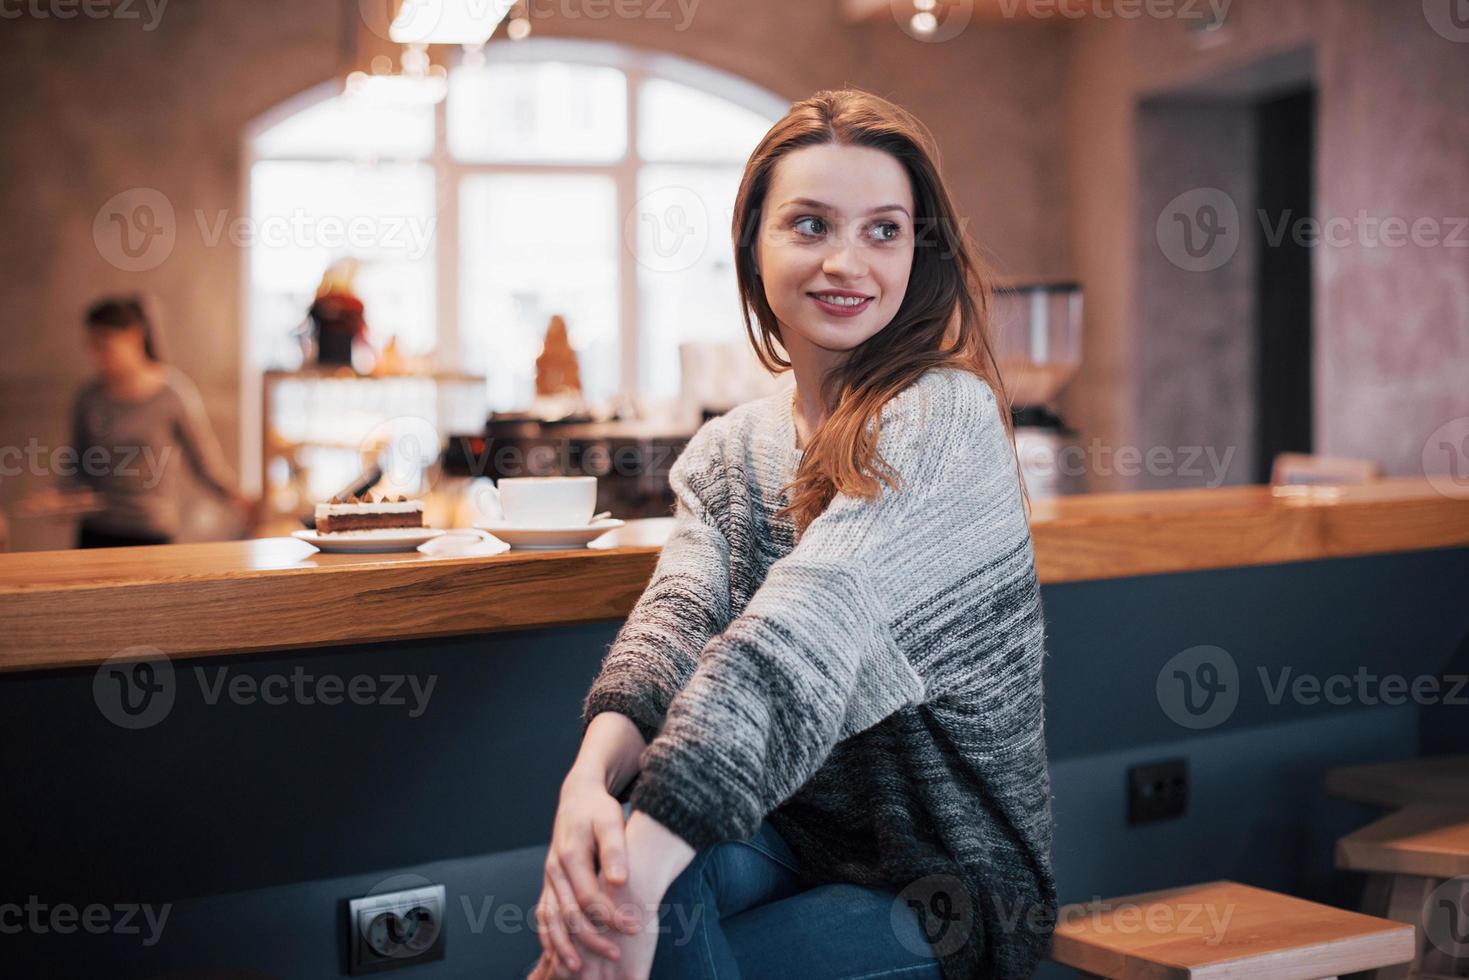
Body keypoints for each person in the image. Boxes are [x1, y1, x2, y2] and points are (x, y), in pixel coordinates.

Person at [529, 89, 1055, 980]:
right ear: (753, 246)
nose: (846, 262)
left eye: (883, 230)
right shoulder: (731, 449)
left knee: (637, 892)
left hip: (945, 891)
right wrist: (585, 785)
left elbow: (805, 630)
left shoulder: (946, 420)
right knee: (624, 850)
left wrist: (625, 892)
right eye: (809, 225)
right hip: (791, 838)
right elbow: (673, 628)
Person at [45, 295, 253, 547]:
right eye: (91, 346)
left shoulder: (172, 393)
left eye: (104, 345)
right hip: (96, 529)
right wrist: (62, 496)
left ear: (134, 336)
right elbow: (76, 460)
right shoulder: (89, 396)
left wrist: (238, 498)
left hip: (149, 530)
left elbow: (204, 461)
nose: (96, 355)